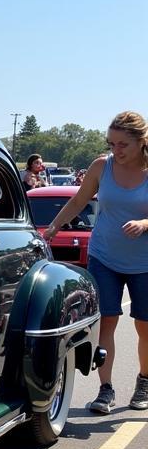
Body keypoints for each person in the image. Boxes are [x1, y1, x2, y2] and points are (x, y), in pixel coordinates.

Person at [44, 111, 148, 413]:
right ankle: (105, 389)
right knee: (107, 322)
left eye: (123, 145)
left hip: (144, 263)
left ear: (141, 142)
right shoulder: (102, 166)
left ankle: (144, 381)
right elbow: (79, 201)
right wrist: (53, 227)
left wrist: (144, 223)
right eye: (111, 143)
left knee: (144, 327)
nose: (116, 150)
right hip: (104, 257)